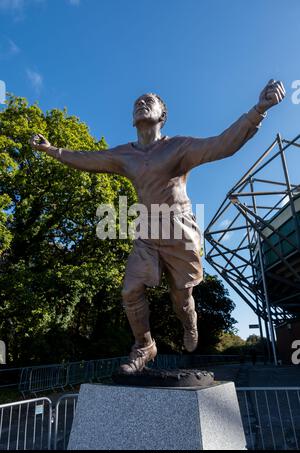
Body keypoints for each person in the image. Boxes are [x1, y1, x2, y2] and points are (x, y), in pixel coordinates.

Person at [30, 79, 285, 374]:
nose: (141, 103)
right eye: (137, 102)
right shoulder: (123, 155)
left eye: (149, 100)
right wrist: (52, 150)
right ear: (132, 118)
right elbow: (87, 158)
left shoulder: (179, 147)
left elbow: (222, 144)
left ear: (162, 115)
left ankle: (189, 321)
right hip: (147, 233)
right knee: (130, 291)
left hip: (180, 232)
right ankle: (144, 346)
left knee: (181, 296)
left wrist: (259, 110)